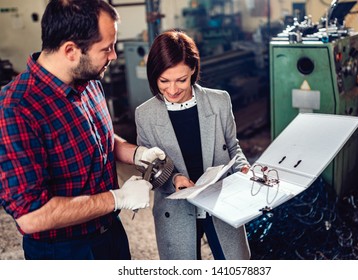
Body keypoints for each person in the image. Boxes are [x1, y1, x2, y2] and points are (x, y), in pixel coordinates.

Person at [0, 0, 165, 260]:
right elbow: (31, 216)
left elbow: (99, 137)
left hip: (110, 234)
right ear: (70, 51)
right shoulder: (16, 108)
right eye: (107, 48)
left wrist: (135, 154)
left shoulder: (88, 81)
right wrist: (117, 198)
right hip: (63, 252)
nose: (113, 55)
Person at [135, 30, 251, 260]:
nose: (172, 90)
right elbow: (147, 167)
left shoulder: (219, 101)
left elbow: (233, 147)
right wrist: (174, 177)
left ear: (193, 71)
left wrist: (245, 169)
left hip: (220, 200)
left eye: (181, 79)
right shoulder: (145, 115)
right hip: (176, 211)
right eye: (163, 81)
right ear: (153, 77)